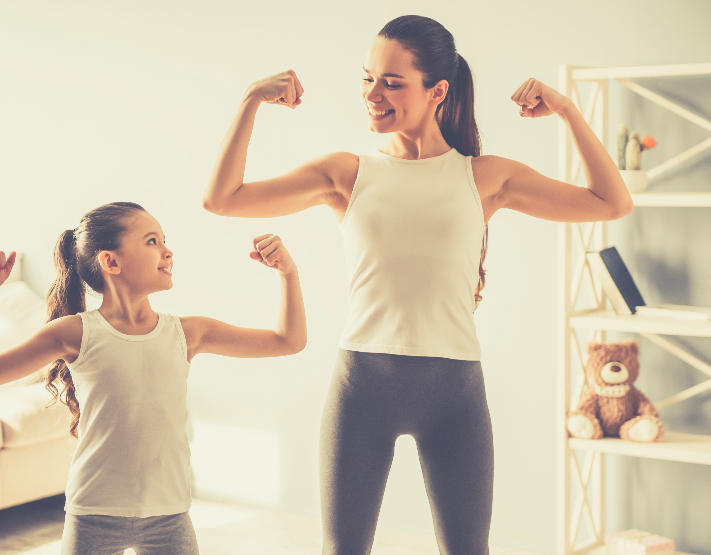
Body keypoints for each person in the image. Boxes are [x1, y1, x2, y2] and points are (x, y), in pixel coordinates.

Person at [202, 14, 631, 555]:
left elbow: (612, 203)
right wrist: (250, 100)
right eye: (367, 78)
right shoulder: (346, 173)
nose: (372, 94)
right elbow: (222, 198)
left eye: (392, 82)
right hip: (360, 388)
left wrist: (567, 109)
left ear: (438, 91)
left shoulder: (484, 177)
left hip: (455, 398)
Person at [0, 201, 306, 555]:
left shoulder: (188, 333)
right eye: (152, 241)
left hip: (169, 516)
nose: (168, 251)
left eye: (164, 241)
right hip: (92, 514)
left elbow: (288, 340)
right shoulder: (75, 333)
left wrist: (288, 273)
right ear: (111, 261)